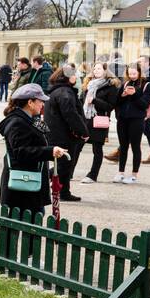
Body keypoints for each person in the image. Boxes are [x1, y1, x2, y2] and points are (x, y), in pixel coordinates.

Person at [0, 84, 69, 216]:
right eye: (40, 101)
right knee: (21, 229)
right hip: (22, 187)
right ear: (30, 102)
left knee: (31, 226)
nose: (43, 104)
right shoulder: (17, 122)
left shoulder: (29, 119)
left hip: (29, 184)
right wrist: (49, 151)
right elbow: (20, 152)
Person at [44, 65, 90, 201]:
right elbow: (71, 115)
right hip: (62, 134)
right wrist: (83, 131)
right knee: (65, 164)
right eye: (74, 74)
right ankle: (56, 187)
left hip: (58, 132)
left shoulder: (59, 90)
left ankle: (64, 191)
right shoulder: (64, 92)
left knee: (65, 164)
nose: (76, 77)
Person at [80, 63, 120, 185]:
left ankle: (93, 175)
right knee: (77, 146)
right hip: (86, 119)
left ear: (105, 71)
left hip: (99, 121)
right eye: (95, 68)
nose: (96, 70)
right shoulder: (88, 84)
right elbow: (82, 101)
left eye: (99, 68)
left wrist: (94, 100)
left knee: (97, 149)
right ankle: (69, 172)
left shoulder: (111, 86)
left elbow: (110, 106)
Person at [112, 63, 150, 184]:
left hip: (137, 119)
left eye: (134, 73)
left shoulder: (147, 85)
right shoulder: (125, 83)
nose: (132, 76)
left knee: (135, 146)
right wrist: (123, 95)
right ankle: (120, 172)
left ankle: (134, 174)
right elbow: (117, 101)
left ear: (140, 72)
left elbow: (144, 104)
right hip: (123, 119)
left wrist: (134, 94)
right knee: (123, 146)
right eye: (130, 73)